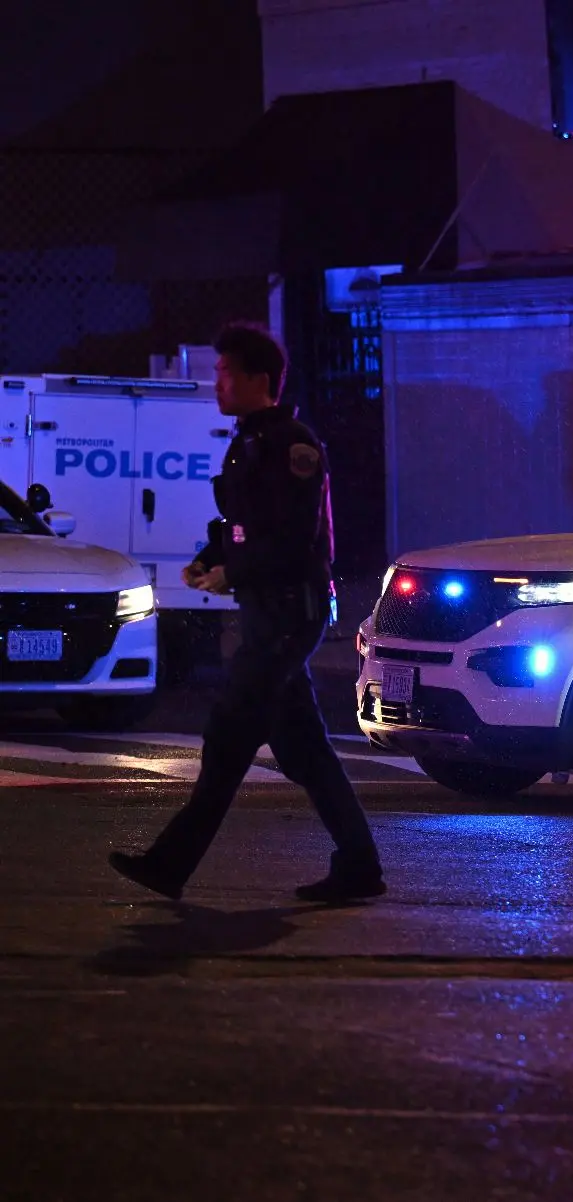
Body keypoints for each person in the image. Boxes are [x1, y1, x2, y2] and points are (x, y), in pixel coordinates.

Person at [108, 323, 384, 902]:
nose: (218, 383)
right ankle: (360, 866)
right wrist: (210, 558)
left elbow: (292, 538)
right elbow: (241, 527)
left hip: (288, 615)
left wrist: (234, 573)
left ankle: (169, 864)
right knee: (304, 749)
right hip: (268, 615)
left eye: (226, 372)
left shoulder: (291, 445)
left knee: (229, 736)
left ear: (260, 380)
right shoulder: (249, 443)